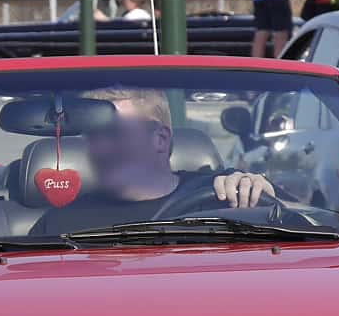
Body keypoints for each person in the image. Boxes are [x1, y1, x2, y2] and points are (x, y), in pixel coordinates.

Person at [29, 87, 274, 237]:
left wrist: (257, 193)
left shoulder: (223, 195)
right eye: (93, 135)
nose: (99, 148)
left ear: (159, 139)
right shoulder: (60, 224)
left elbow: (294, 241)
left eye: (114, 133)